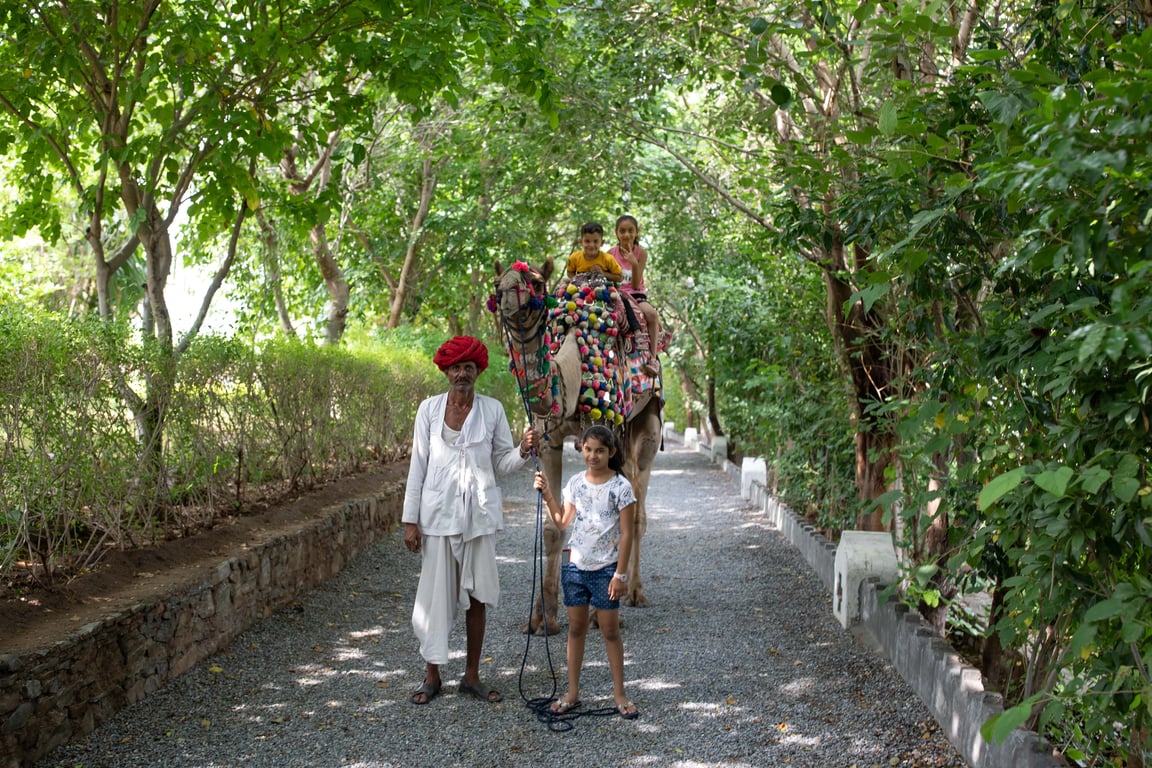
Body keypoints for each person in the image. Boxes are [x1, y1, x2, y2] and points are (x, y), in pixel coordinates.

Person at [403, 335, 537, 705]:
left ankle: (472, 675)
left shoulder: (492, 410)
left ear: (477, 372)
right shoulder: (428, 410)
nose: (462, 373)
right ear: (447, 371)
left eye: (469, 368)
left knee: (477, 596)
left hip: (478, 517)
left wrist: (523, 451)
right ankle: (432, 676)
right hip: (437, 517)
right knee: (434, 598)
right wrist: (409, 521)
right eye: (456, 367)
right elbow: (418, 467)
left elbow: (501, 463)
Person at [533, 424, 640, 720]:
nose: (593, 456)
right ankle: (572, 692)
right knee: (576, 629)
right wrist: (547, 495)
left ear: (612, 453)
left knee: (609, 631)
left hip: (606, 570)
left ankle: (620, 694)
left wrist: (620, 575)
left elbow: (627, 534)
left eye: (600, 451)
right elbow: (562, 521)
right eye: (588, 449)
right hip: (575, 569)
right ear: (581, 448)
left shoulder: (621, 487)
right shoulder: (576, 483)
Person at [609, 214, 663, 376]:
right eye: (622, 231)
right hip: (617, 295)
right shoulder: (610, 253)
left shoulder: (641, 253)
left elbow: (635, 284)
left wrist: (633, 263)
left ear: (637, 232)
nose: (626, 235)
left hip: (636, 295)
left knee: (652, 314)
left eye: (630, 231)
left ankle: (652, 358)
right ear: (617, 233)